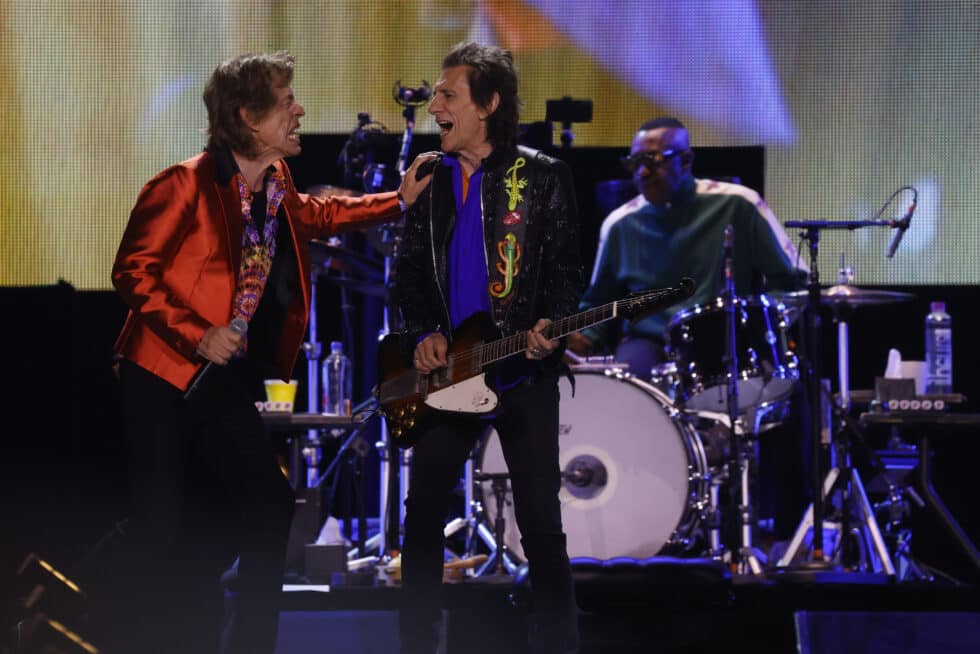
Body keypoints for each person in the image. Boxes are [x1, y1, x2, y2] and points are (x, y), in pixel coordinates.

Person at [103, 51, 433, 654]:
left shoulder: (275, 183)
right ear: (250, 118)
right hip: (160, 374)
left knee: (267, 504)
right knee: (159, 525)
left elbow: (316, 213)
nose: (299, 110)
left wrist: (398, 201)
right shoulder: (184, 183)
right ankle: (79, 603)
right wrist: (196, 332)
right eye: (286, 101)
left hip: (220, 378)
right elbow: (132, 271)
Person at [392, 42, 584, 654]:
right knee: (421, 515)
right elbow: (408, 279)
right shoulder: (428, 180)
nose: (436, 106)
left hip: (522, 375)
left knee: (540, 523)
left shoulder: (543, 177)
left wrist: (548, 327)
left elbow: (564, 276)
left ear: (489, 104)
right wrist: (423, 332)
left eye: (448, 95)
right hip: (452, 374)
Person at [567, 116, 805, 377]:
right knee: (626, 387)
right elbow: (599, 301)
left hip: (727, 336)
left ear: (686, 160)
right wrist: (583, 337)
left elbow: (792, 282)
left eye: (652, 162)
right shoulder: (619, 224)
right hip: (649, 341)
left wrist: (758, 324)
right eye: (635, 164)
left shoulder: (739, 204)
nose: (642, 173)